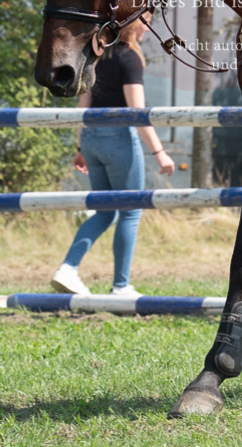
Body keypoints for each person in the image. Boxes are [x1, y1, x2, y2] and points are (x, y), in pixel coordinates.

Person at [51, 15, 174, 297]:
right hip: (118, 138)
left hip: (92, 138)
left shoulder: (97, 57)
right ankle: (121, 286)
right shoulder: (129, 59)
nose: (147, 27)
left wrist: (81, 148)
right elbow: (137, 113)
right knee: (130, 211)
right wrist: (160, 152)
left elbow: (86, 103)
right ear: (131, 24)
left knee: (105, 210)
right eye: (144, 22)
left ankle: (68, 269)